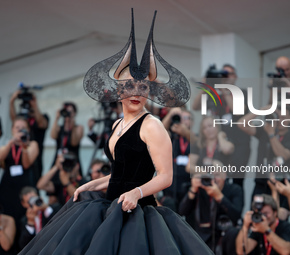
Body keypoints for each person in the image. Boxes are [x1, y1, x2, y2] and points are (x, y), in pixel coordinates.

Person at [19, 9, 214, 255]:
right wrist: (92, 185)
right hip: (109, 205)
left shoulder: (152, 125)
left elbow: (165, 177)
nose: (137, 92)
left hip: (138, 213)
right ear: (118, 90)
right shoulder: (116, 125)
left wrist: (137, 192)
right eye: (130, 85)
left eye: (143, 86)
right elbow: (121, 174)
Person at [238, 104, 290, 202]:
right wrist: (262, 110)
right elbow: (241, 124)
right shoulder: (264, 130)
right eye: (277, 116)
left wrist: (271, 134)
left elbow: (283, 155)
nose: (279, 120)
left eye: (282, 117)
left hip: (281, 185)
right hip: (261, 184)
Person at [179, 163, 243, 254]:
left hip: (224, 235)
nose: (213, 179)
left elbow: (236, 215)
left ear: (224, 176)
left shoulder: (235, 189)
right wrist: (193, 189)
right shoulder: (201, 189)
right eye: (210, 175)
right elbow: (182, 211)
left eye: (217, 175)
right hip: (201, 234)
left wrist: (219, 196)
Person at [0, 117, 39, 227]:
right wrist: (11, 142)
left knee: (24, 217)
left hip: (25, 186)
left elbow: (26, 164)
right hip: (7, 188)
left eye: (23, 128)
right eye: (17, 127)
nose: (20, 130)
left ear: (28, 130)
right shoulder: (7, 146)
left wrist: (24, 147)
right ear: (12, 129)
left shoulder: (32, 144)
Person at [10, 89, 49, 184]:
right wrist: (12, 100)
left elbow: (42, 124)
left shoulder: (43, 117)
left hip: (35, 158)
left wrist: (34, 104)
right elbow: (14, 119)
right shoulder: (22, 117)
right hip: (18, 155)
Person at [160, 108, 193, 210]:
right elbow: (160, 130)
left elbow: (198, 143)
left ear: (192, 122)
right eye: (182, 117)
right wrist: (171, 114)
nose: (184, 120)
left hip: (188, 183)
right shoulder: (172, 136)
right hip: (171, 182)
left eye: (187, 118)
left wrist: (185, 132)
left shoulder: (195, 136)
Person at [50, 101, 84, 175]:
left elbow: (74, 142)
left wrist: (72, 124)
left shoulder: (78, 127)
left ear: (74, 113)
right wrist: (57, 118)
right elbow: (53, 136)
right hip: (59, 159)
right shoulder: (59, 127)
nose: (68, 113)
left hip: (73, 160)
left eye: (70, 111)